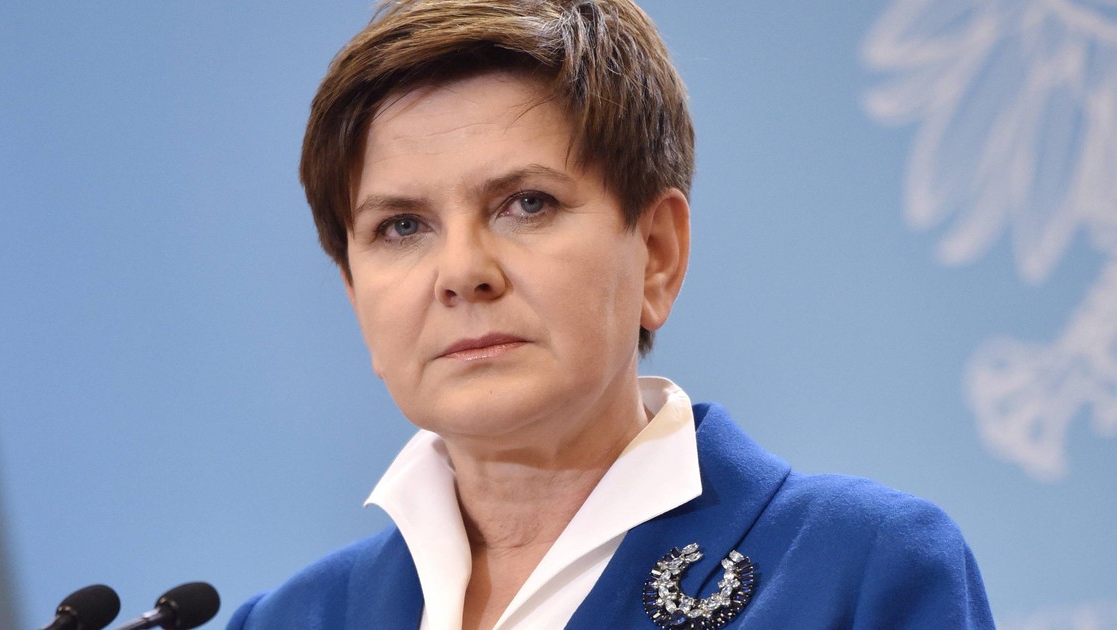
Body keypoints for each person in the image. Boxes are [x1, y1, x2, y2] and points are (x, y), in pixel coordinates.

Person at [229, 1, 994, 628]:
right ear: (355, 292)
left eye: (527, 204)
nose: (461, 273)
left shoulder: (859, 571)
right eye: (402, 226)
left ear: (656, 253)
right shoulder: (286, 622)